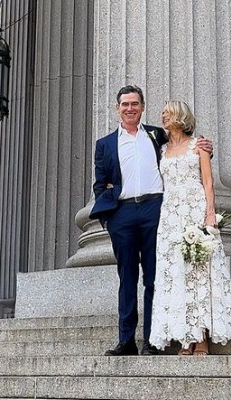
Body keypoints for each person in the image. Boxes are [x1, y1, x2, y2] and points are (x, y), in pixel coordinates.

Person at [89, 86, 213, 356]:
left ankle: (152, 340)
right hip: (122, 213)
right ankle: (126, 341)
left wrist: (206, 147)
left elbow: (184, 146)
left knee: (155, 277)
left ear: (142, 107)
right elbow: (100, 184)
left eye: (135, 103)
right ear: (117, 108)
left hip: (155, 210)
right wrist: (109, 218)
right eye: (125, 104)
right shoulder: (105, 144)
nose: (130, 108)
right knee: (127, 277)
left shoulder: (157, 135)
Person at [149, 100, 231, 355]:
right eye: (163, 114)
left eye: (168, 113)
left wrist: (210, 214)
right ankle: (184, 337)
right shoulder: (161, 149)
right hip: (170, 216)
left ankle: (201, 338)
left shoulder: (198, 145)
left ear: (180, 116)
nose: (163, 117)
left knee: (199, 272)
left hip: (194, 209)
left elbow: (208, 183)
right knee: (176, 273)